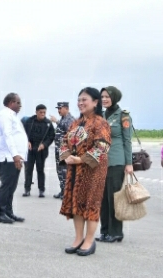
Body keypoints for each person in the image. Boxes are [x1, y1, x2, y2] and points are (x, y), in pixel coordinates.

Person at [60, 87, 111, 257]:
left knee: (90, 204)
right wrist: (67, 156)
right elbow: (64, 141)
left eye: (84, 100)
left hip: (92, 171)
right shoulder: (75, 122)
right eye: (79, 100)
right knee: (76, 204)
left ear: (95, 102)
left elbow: (102, 146)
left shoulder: (100, 123)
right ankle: (78, 238)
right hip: (74, 171)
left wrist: (81, 159)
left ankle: (89, 240)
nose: (80, 103)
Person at [97, 86, 133, 243]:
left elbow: (127, 140)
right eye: (102, 96)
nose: (104, 99)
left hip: (117, 162)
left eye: (107, 96)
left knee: (114, 199)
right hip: (101, 162)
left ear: (115, 97)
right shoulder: (102, 115)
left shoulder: (123, 116)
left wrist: (129, 164)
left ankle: (116, 232)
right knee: (103, 199)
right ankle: (104, 231)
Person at [0, 93, 27, 224]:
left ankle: (8, 211)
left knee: (12, 186)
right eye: (18, 103)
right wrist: (15, 155)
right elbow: (7, 134)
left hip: (13, 157)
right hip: (7, 157)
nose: (20, 105)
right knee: (6, 185)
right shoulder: (5, 115)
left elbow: (16, 135)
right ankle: (0, 213)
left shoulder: (12, 116)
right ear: (11, 102)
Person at [22, 104, 55, 198]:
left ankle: (41, 190)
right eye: (40, 112)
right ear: (36, 112)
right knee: (29, 170)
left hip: (41, 150)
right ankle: (27, 190)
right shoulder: (29, 121)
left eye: (44, 112)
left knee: (40, 170)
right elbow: (22, 133)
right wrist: (27, 141)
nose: (42, 114)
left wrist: (44, 145)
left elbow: (51, 136)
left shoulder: (48, 123)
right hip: (30, 149)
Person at [50, 102, 75, 199]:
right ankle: (63, 191)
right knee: (60, 172)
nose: (58, 111)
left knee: (65, 172)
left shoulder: (70, 119)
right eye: (58, 109)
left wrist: (56, 121)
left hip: (65, 152)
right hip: (59, 151)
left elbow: (70, 130)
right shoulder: (63, 119)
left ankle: (67, 193)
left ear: (66, 108)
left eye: (60, 108)